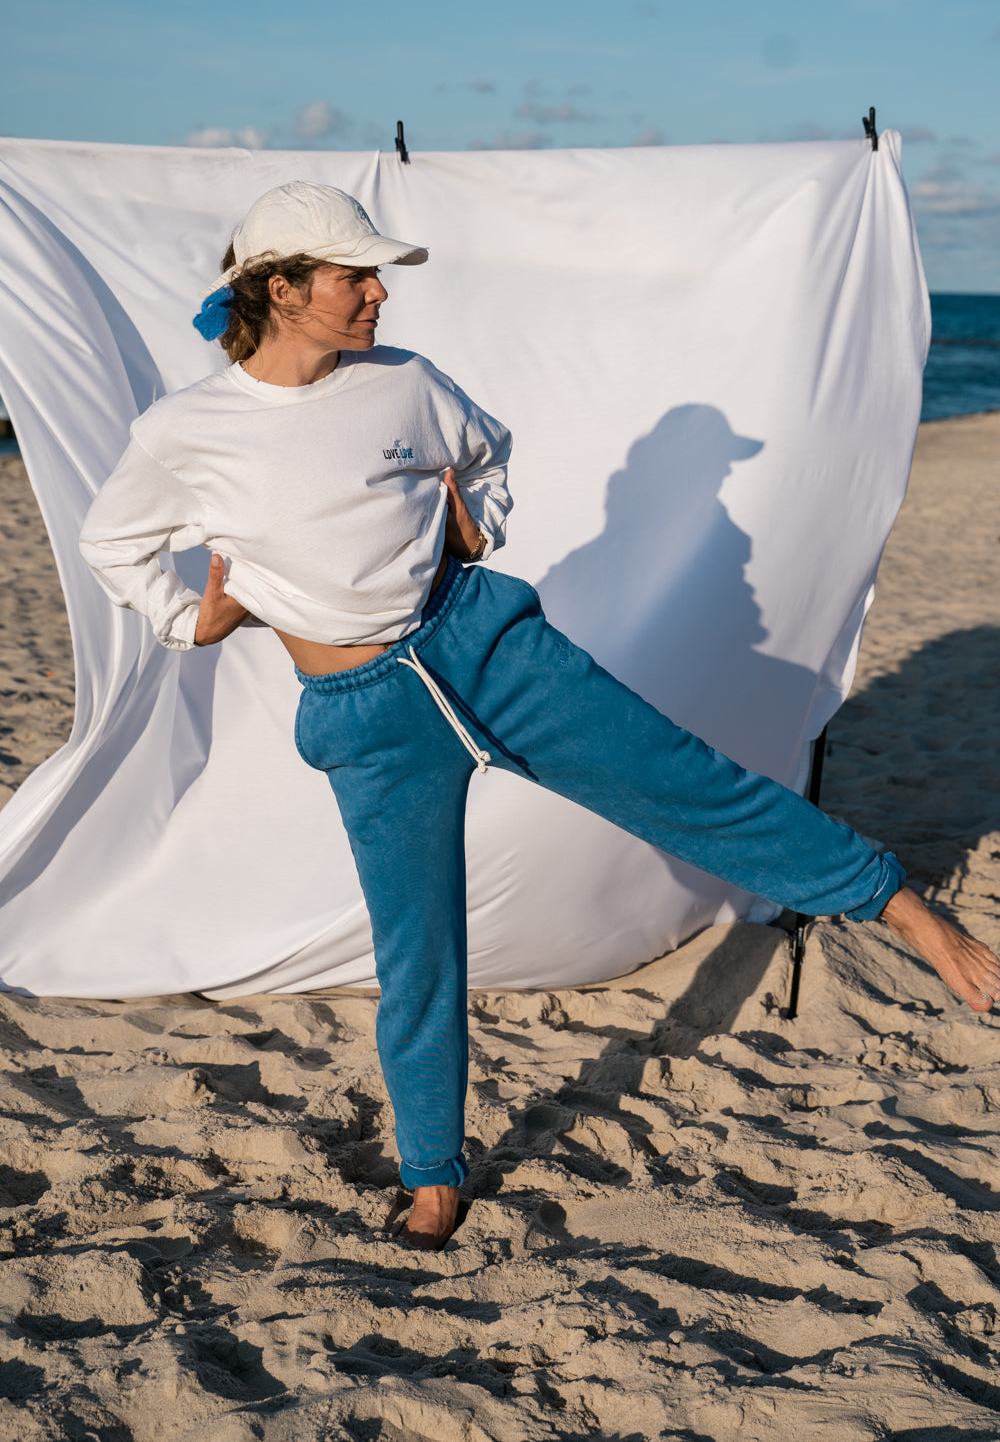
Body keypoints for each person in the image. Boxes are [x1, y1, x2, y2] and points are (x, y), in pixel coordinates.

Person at [79, 181, 1000, 1252]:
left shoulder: (406, 384)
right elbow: (115, 546)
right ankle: (433, 1175)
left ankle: (899, 906)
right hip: (366, 712)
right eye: (353, 276)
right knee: (418, 946)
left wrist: (475, 532)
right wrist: (196, 619)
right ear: (279, 289)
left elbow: (487, 454)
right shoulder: (186, 432)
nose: (378, 294)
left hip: (487, 646)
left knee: (688, 786)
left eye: (377, 275)